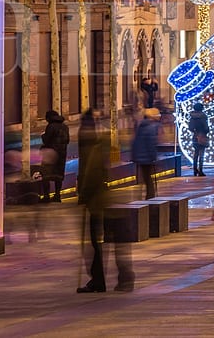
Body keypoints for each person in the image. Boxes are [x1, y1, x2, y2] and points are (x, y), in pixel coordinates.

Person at [76, 109, 133, 293]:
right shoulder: (106, 141)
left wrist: (83, 195)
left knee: (97, 244)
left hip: (99, 204)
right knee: (117, 242)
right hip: (113, 201)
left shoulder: (94, 146)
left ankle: (100, 280)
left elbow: (91, 175)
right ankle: (124, 278)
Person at [131, 107, 160, 200]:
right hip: (147, 157)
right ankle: (150, 197)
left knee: (146, 178)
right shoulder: (151, 127)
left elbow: (135, 142)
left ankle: (147, 197)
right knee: (149, 179)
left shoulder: (141, 126)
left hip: (140, 157)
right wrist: (154, 157)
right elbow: (151, 143)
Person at [40, 109, 69, 202]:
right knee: (58, 176)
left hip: (50, 154)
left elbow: (47, 140)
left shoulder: (50, 126)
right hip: (62, 154)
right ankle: (57, 195)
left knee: (46, 175)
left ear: (49, 118)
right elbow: (67, 140)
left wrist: (43, 135)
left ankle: (46, 196)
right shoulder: (65, 127)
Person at [189, 103, 209, 177]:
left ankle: (195, 170)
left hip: (195, 136)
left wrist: (195, 132)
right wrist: (205, 131)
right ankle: (200, 170)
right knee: (201, 154)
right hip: (202, 135)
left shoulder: (192, 117)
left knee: (196, 154)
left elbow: (190, 127)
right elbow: (206, 127)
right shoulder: (203, 116)